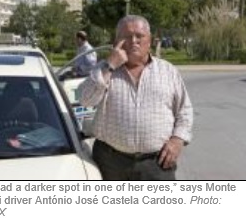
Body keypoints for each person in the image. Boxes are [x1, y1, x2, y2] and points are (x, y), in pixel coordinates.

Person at [78, 15, 193, 180]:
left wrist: (177, 140)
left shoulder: (168, 72)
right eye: (126, 36)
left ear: (149, 40)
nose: (133, 41)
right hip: (111, 163)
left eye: (139, 36)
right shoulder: (103, 69)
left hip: (157, 164)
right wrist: (110, 65)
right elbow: (85, 99)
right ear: (116, 42)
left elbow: (185, 111)